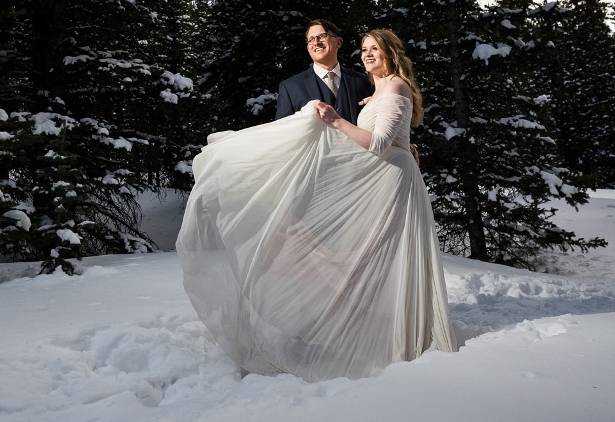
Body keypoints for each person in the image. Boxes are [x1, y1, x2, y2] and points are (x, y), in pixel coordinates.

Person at [176, 28, 456, 382]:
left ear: (389, 52)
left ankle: (386, 331)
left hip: (383, 183)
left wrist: (356, 128)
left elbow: (382, 138)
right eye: (365, 49)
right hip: (348, 183)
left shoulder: (379, 85)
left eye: (375, 49)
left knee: (376, 259)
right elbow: (288, 135)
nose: (368, 54)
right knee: (329, 260)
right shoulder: (340, 87)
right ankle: (323, 327)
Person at [275, 19, 372, 125]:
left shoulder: (363, 81)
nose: (316, 42)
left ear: (338, 42)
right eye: (311, 39)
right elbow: (283, 132)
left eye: (322, 36)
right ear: (308, 48)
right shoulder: (290, 88)